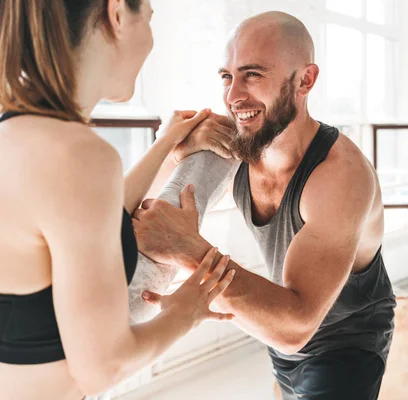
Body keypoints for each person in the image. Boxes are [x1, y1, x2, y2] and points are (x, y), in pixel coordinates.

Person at [134, 11, 397, 400]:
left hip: (346, 341)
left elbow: (296, 326)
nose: (233, 96)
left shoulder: (340, 176)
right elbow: (143, 209)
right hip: (277, 325)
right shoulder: (241, 140)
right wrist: (175, 151)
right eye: (228, 76)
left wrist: (188, 250)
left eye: (253, 75)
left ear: (305, 80)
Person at [0, 1, 235, 399]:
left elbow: (81, 217)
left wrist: (165, 145)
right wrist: (187, 309)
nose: (151, 40)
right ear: (117, 15)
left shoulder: (18, 132)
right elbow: (103, 367)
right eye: (149, 17)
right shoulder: (77, 155)